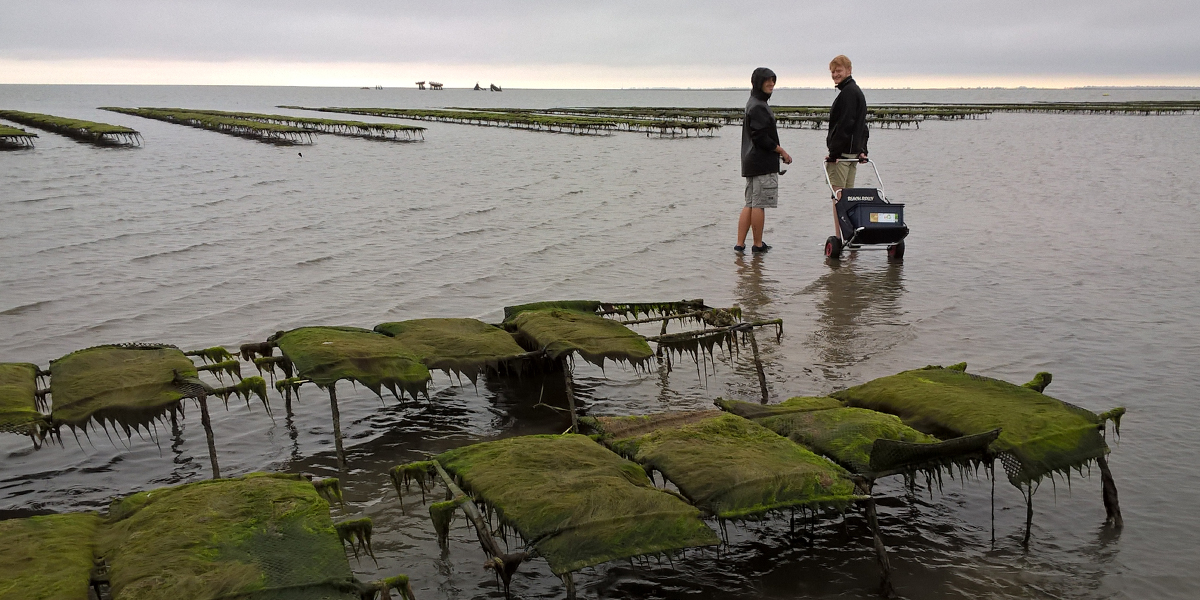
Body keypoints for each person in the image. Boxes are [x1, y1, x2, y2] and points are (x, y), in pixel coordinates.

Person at [737, 67, 792, 253]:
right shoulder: (759, 105)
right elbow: (761, 137)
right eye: (767, 80)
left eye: (773, 80)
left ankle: (740, 244)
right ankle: (758, 245)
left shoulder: (752, 102)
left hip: (750, 161)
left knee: (750, 203)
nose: (771, 84)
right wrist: (781, 151)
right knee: (758, 204)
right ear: (758, 83)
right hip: (761, 162)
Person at [825, 55, 868, 237]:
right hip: (852, 154)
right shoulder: (856, 91)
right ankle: (850, 236)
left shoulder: (848, 93)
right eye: (833, 71)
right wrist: (863, 150)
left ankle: (839, 237)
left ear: (849, 71)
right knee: (848, 196)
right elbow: (862, 126)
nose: (835, 74)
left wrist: (834, 152)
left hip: (842, 155)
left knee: (838, 197)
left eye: (839, 70)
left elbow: (846, 124)